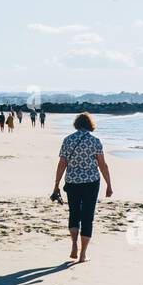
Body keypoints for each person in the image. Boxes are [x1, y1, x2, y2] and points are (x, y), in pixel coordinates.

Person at [51, 111, 113, 263]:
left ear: (77, 124)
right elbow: (102, 165)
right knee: (87, 216)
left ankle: (74, 245)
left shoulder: (68, 140)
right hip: (91, 182)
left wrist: (56, 184)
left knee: (74, 213)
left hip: (72, 182)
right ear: (90, 125)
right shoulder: (95, 141)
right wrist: (109, 185)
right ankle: (83, 254)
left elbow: (62, 164)